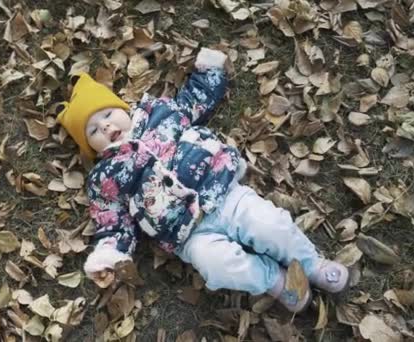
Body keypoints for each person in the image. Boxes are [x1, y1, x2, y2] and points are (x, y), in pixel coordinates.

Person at [56, 48, 349, 313]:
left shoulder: (161, 113)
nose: (105, 126)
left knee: (270, 225)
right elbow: (113, 221)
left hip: (223, 192)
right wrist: (108, 255)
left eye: (107, 114)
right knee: (219, 266)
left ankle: (312, 265)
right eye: (93, 130)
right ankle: (276, 281)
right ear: (90, 148)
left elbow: (195, 99)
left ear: (123, 108)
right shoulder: (104, 178)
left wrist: (209, 70)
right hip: (188, 235)